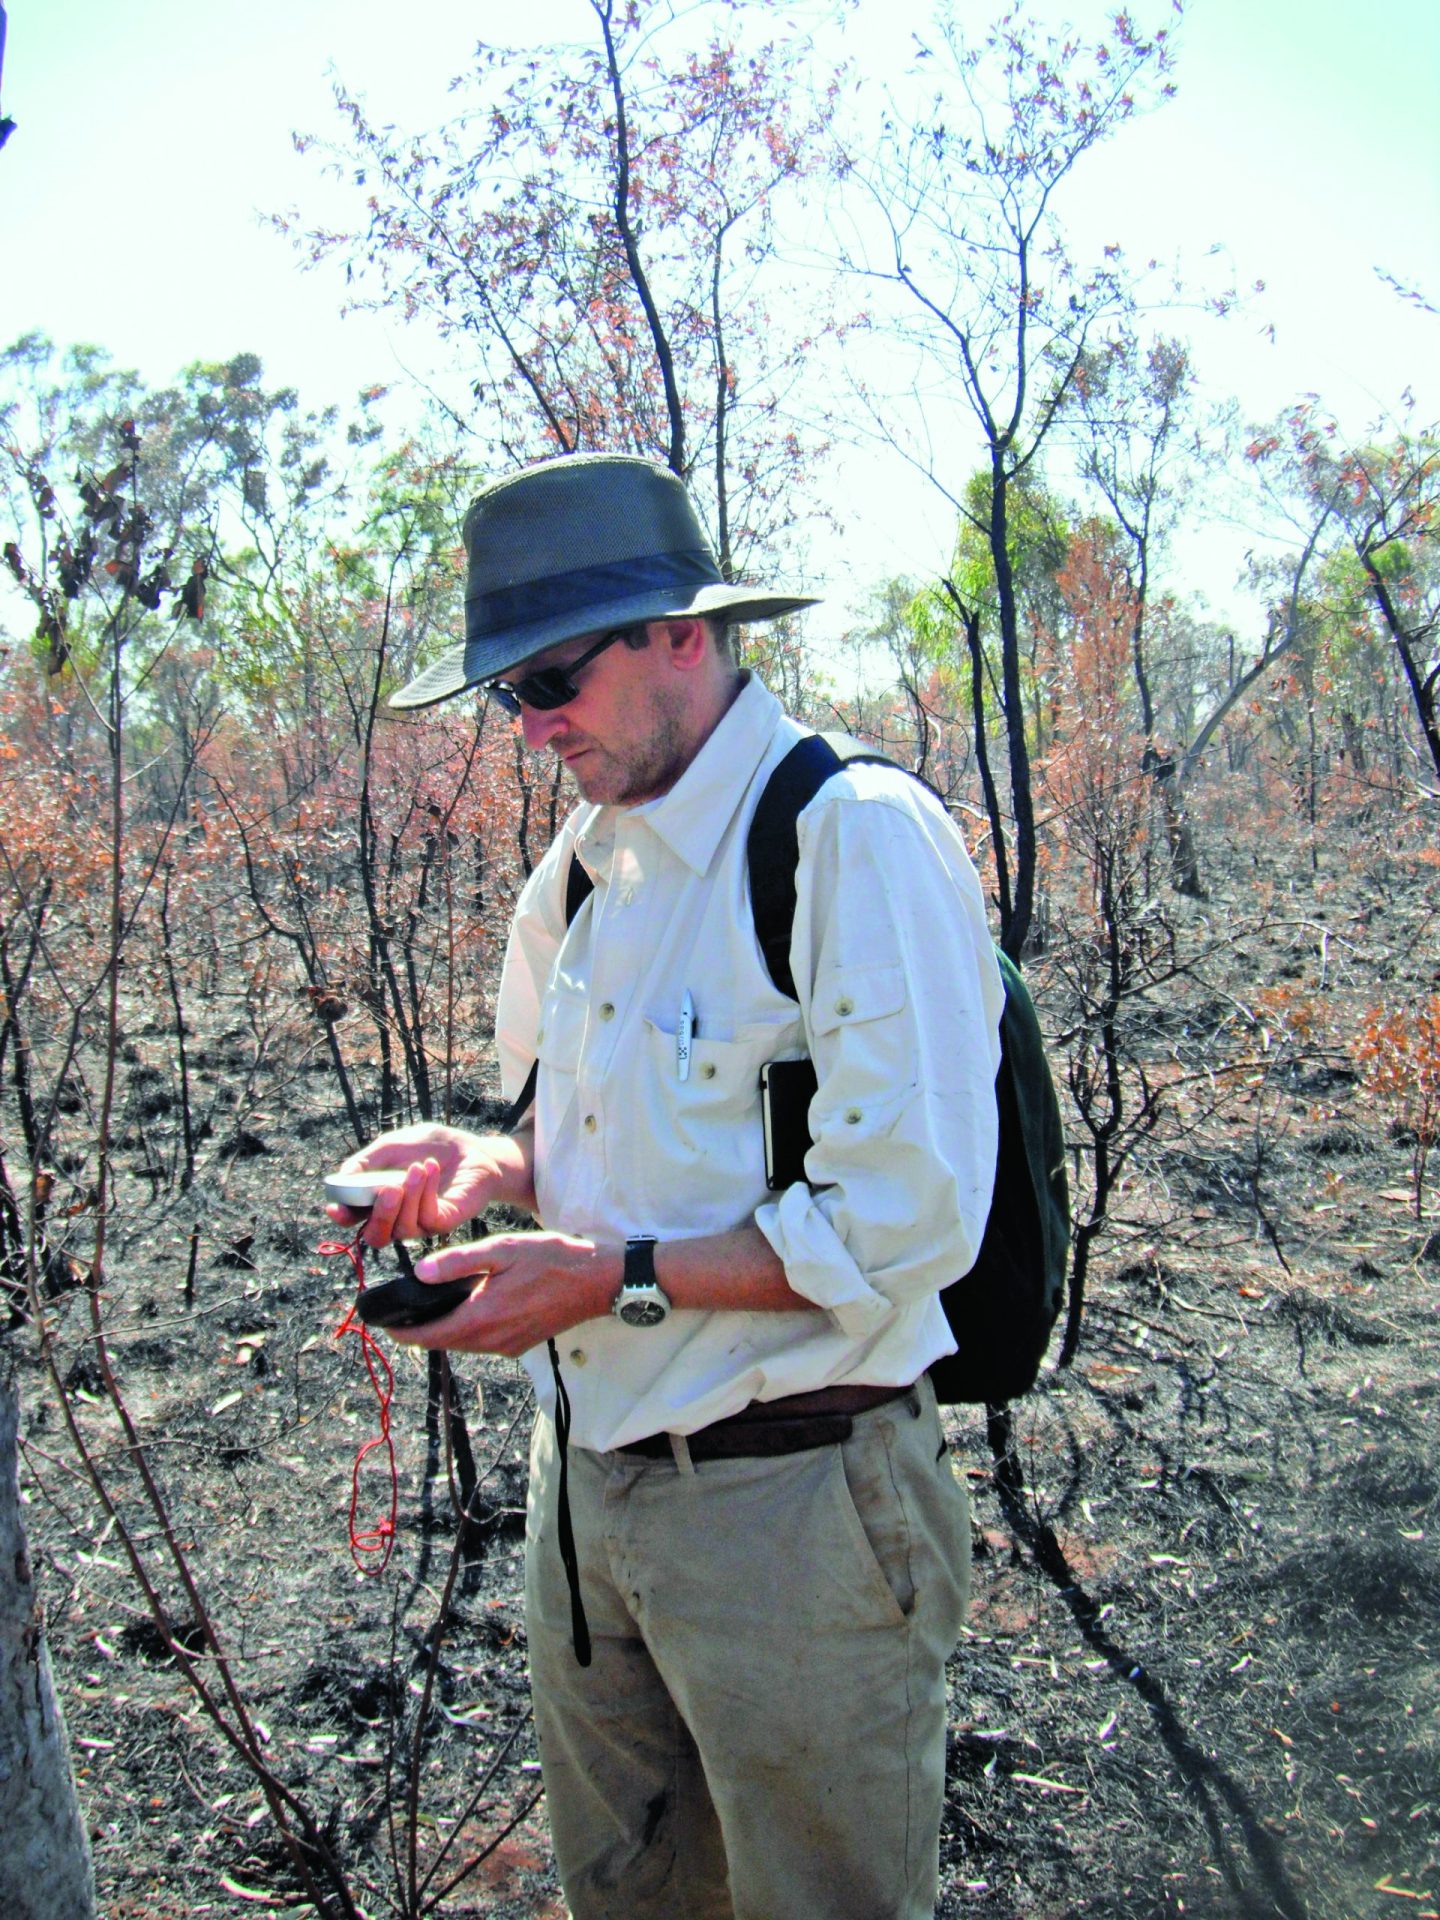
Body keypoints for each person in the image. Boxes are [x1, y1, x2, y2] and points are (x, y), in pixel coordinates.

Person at [329, 453, 1006, 1920]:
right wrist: (483, 1168)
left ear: (683, 637)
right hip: (586, 1496)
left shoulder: (849, 836)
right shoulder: (587, 865)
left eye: (555, 677)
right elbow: (568, 1134)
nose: (533, 723)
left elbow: (910, 1218)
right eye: (511, 691)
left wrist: (612, 1279)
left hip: (799, 1509)